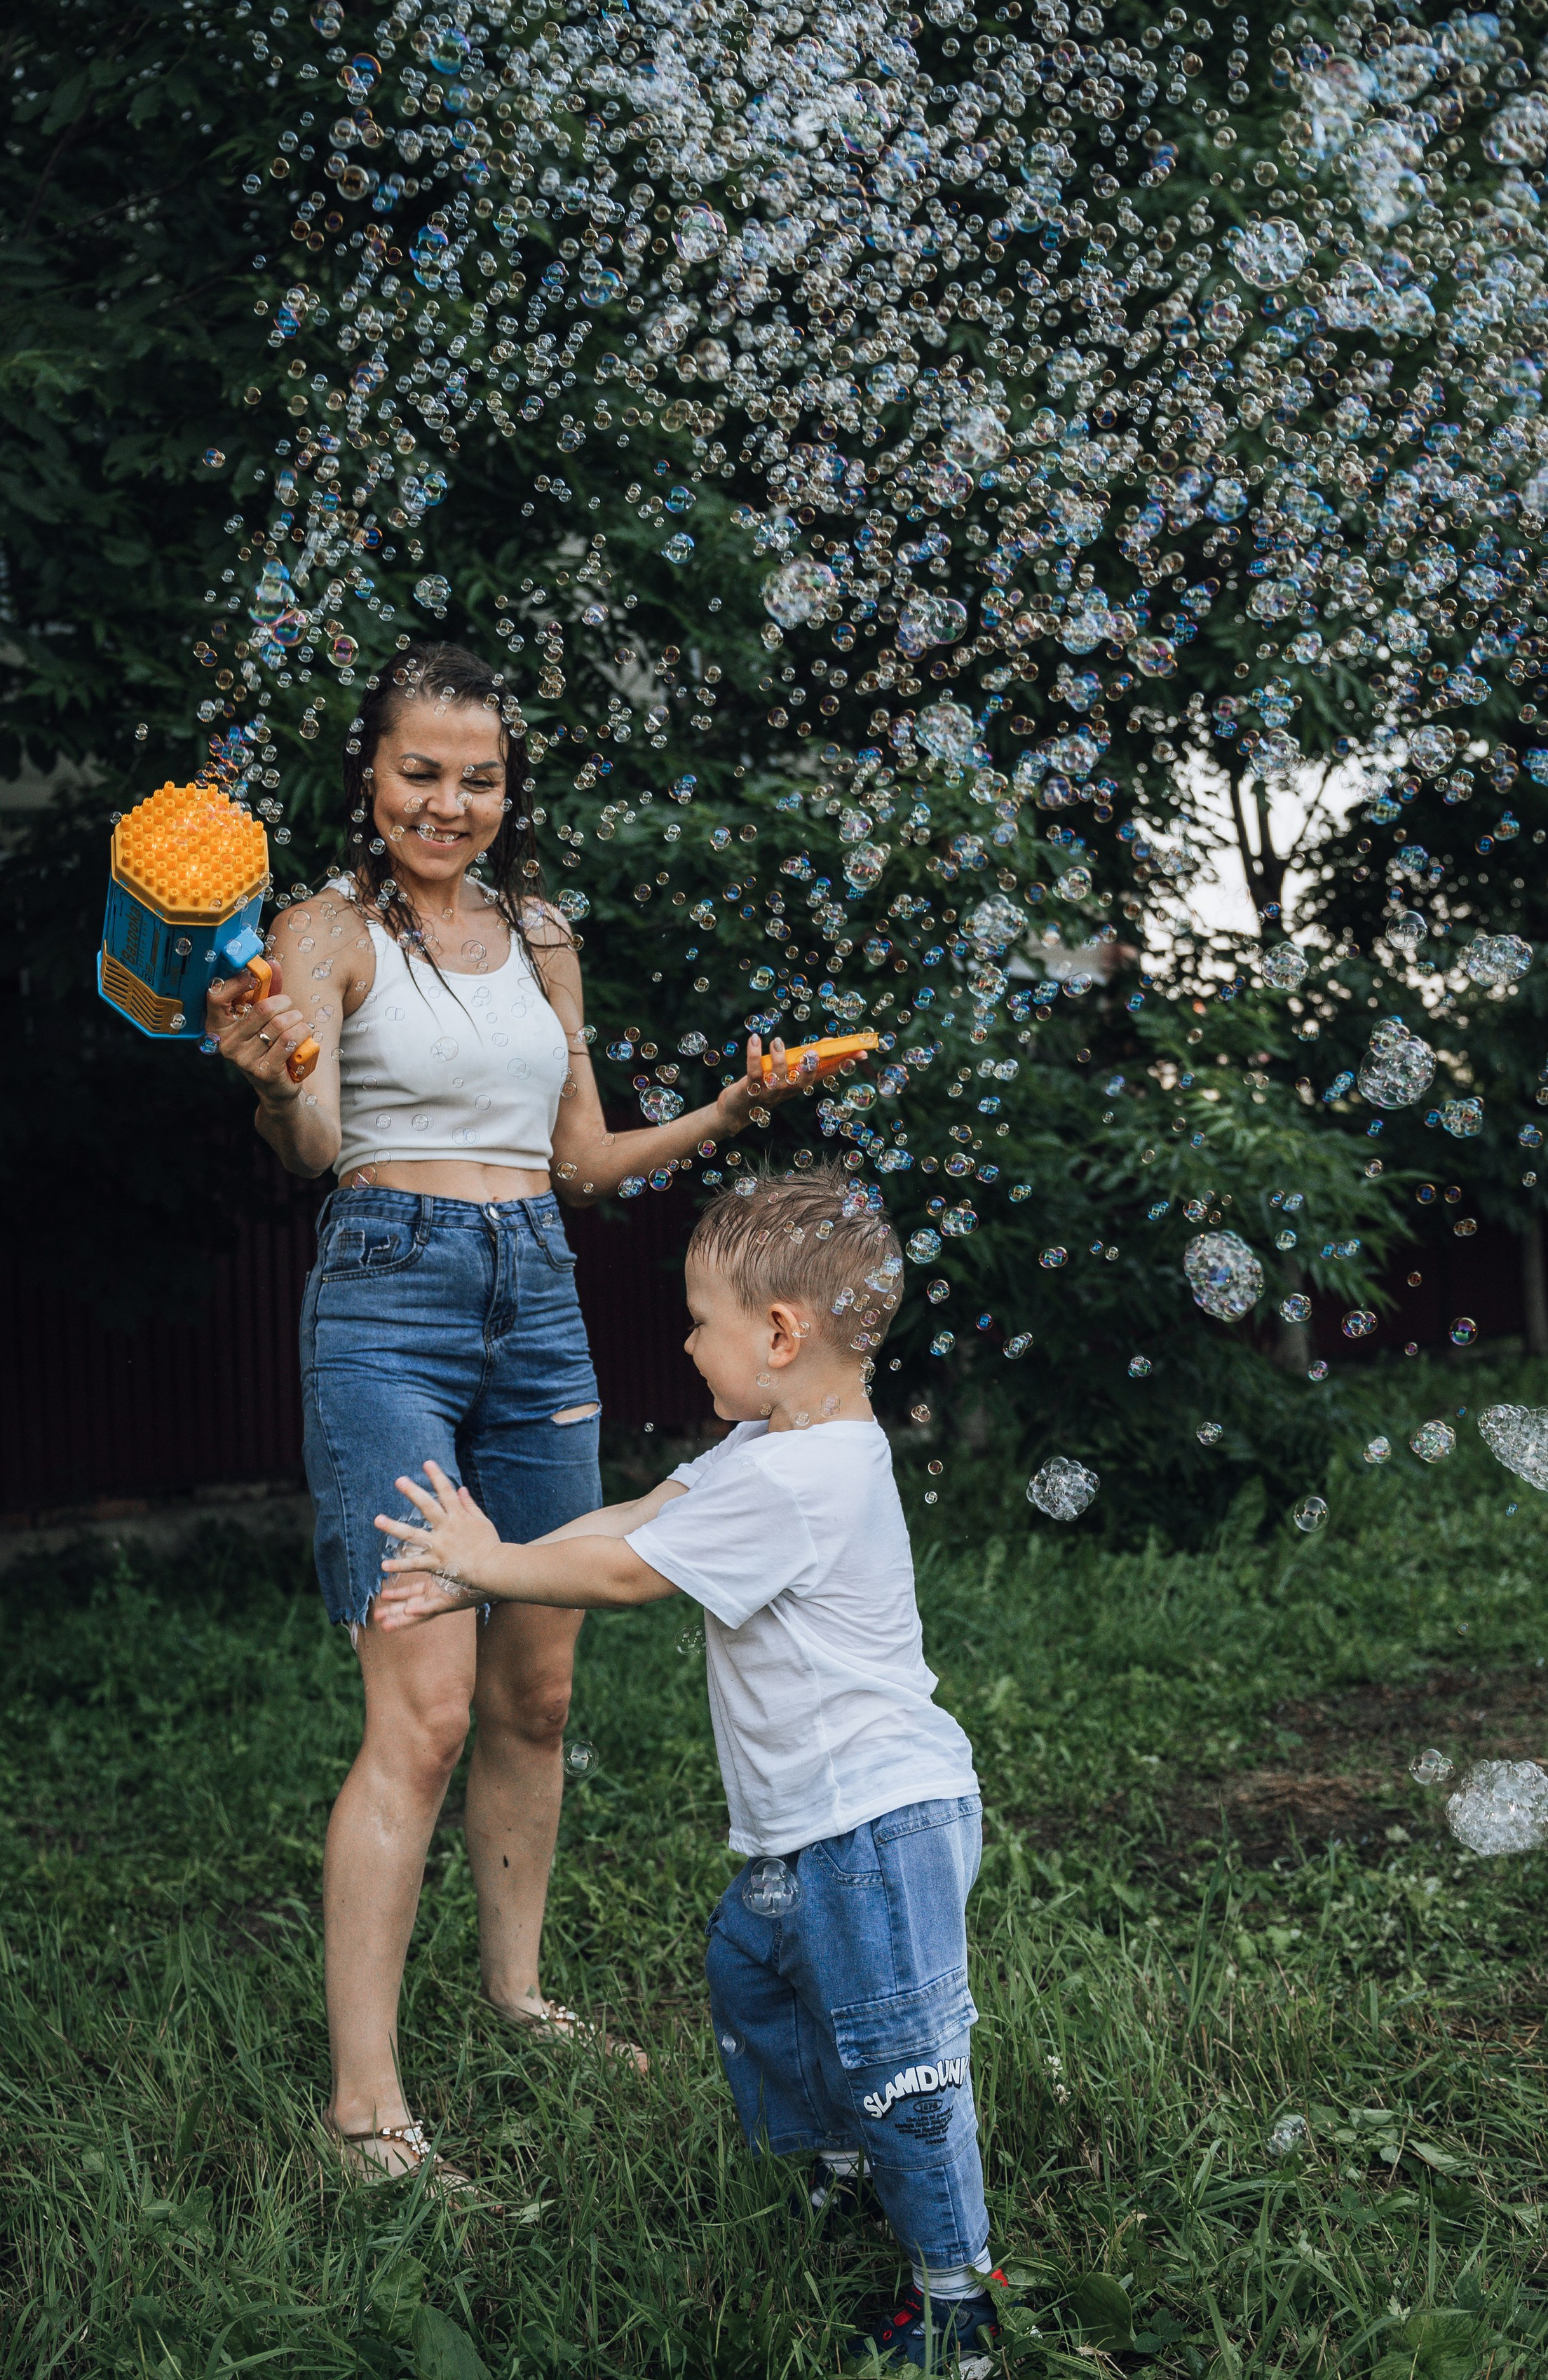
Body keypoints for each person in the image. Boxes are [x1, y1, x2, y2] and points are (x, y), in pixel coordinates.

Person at [204, 643, 836, 2185]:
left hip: (533, 1296)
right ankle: (364, 2106)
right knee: (418, 1715)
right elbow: (314, 1139)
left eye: (477, 775)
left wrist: (727, 1113)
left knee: (535, 1696)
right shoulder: (325, 927)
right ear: (372, 772)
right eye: (421, 769)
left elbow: (580, 1157)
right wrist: (273, 1073)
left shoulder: (540, 932)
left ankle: (512, 1988)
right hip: (389, 1303)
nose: (449, 800)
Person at [374, 1163, 1003, 2374]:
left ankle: (955, 2297)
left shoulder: (801, 1477)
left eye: (701, 1321)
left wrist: (493, 1569)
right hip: (806, 1828)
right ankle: (837, 2175)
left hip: (877, 1822)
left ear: (779, 1332)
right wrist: (486, 1558)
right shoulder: (770, 1447)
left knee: (897, 2051)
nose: (685, 1339)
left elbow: (629, 1574)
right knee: (758, 1985)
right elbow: (638, 1517)